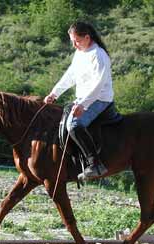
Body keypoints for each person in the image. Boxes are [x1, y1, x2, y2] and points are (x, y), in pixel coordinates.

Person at [44, 21, 114, 180]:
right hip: (83, 98)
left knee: (74, 124)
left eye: (77, 41)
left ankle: (94, 164)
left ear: (87, 37)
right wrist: (54, 93)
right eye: (72, 42)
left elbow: (98, 85)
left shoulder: (99, 55)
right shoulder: (80, 53)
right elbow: (71, 75)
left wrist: (83, 105)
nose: (74, 45)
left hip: (100, 99)